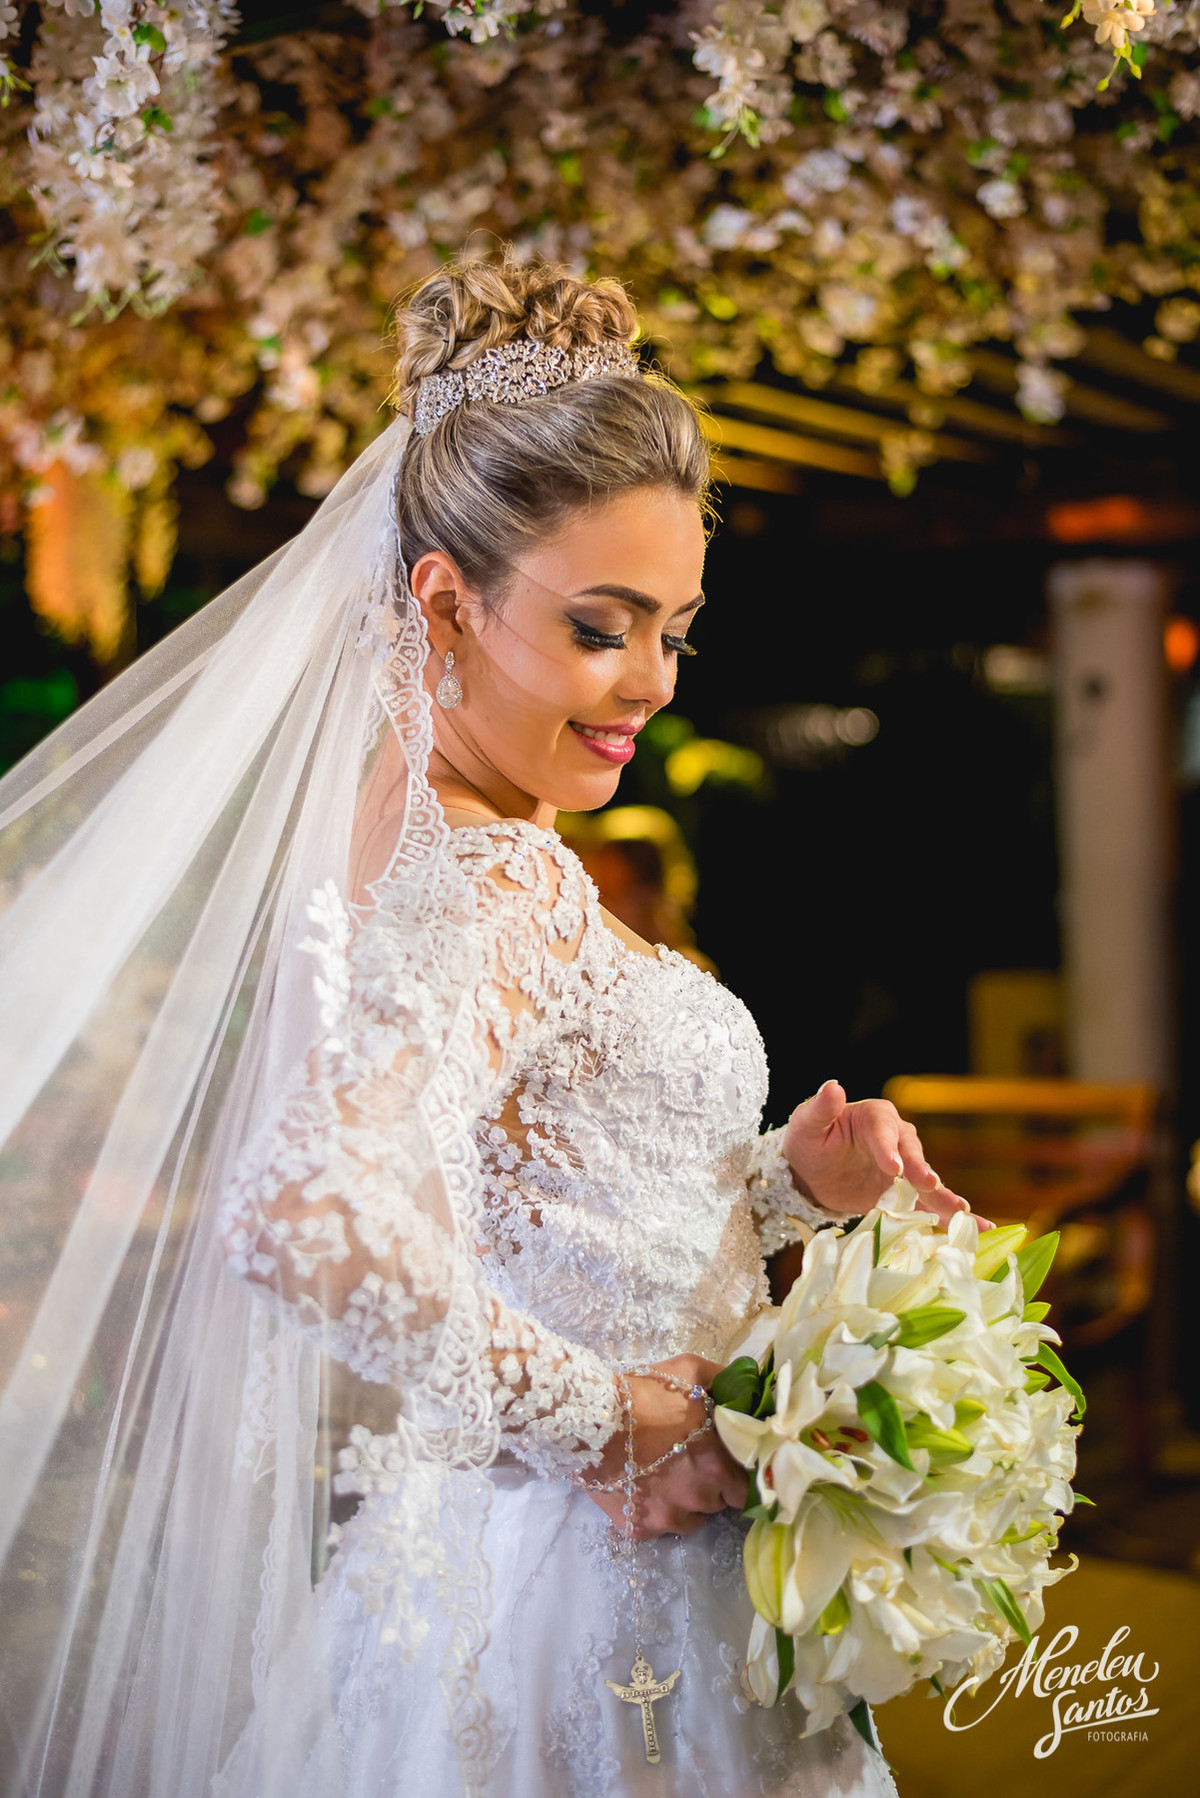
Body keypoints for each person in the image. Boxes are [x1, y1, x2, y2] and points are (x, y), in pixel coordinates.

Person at [0, 257, 970, 1798]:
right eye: (603, 627)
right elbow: (306, 1210)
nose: (649, 683)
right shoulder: (486, 878)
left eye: (676, 632)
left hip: (553, 1566)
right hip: (598, 1597)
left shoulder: (460, 837)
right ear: (445, 598)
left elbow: (544, 1197)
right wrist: (612, 1424)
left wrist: (788, 1181)